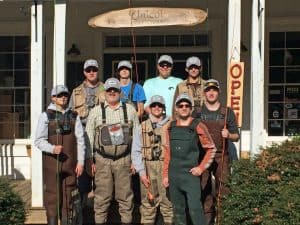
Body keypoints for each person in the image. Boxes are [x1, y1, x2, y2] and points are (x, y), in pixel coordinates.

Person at [85, 77, 140, 225]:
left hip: (124, 160)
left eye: (115, 90)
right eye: (109, 90)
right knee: (102, 198)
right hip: (102, 160)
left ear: (120, 92)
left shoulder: (130, 110)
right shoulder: (95, 111)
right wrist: (89, 160)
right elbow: (88, 137)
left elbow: (137, 138)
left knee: (126, 198)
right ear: (104, 92)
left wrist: (136, 161)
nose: (112, 92)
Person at [162, 93, 216, 225]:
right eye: (181, 105)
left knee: (195, 209)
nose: (184, 108)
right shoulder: (170, 127)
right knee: (178, 210)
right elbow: (167, 152)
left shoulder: (198, 125)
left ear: (191, 108)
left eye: (187, 105)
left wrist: (201, 168)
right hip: (174, 175)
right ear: (176, 108)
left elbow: (211, 148)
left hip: (190, 175)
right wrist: (165, 175)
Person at [35, 85, 85, 225]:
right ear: (53, 98)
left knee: (69, 197)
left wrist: (81, 162)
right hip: (52, 165)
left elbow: (81, 141)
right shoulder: (46, 115)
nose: (63, 97)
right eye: (59, 95)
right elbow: (38, 141)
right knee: (52, 197)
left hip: (71, 165)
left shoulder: (75, 116)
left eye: (65, 95)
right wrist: (52, 148)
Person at [192, 79, 240, 225]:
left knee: (223, 190)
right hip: (203, 156)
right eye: (208, 90)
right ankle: (206, 221)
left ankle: (223, 220)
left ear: (218, 91)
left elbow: (236, 136)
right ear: (204, 93)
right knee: (203, 189)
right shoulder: (197, 112)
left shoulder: (227, 112)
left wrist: (229, 135)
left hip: (221, 156)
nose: (211, 93)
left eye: (214, 90)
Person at [69, 58, 105, 223]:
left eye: (94, 69)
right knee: (83, 172)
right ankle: (84, 208)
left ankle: (101, 208)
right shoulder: (76, 92)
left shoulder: (107, 89)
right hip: (81, 138)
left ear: (98, 71)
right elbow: (69, 116)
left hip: (102, 138)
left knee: (101, 172)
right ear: (84, 72)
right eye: (88, 69)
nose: (91, 72)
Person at [131, 95, 173, 225]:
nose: (156, 108)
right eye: (154, 105)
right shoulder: (141, 127)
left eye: (159, 105)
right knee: (149, 203)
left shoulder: (172, 125)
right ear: (149, 108)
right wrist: (142, 173)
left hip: (166, 167)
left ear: (164, 108)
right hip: (148, 168)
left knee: (168, 204)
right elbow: (136, 151)